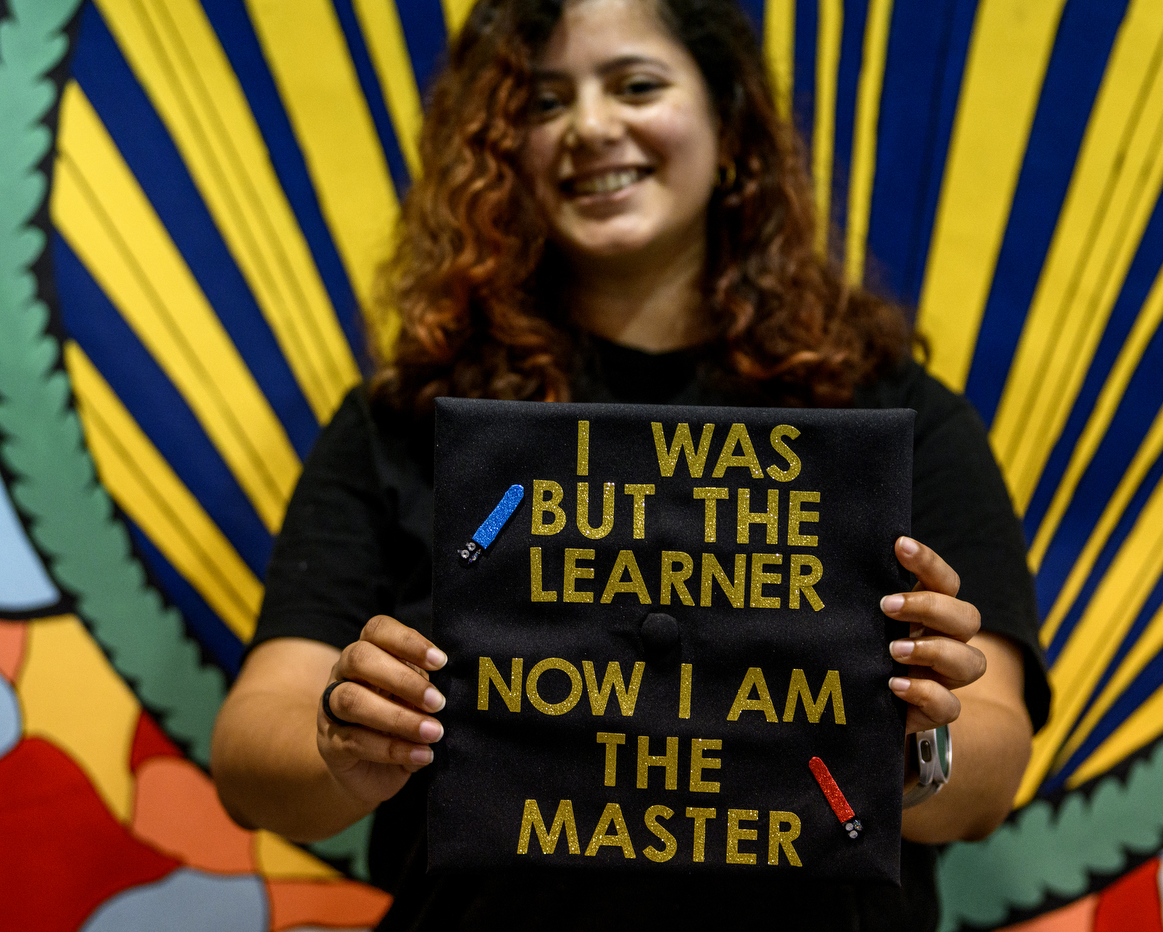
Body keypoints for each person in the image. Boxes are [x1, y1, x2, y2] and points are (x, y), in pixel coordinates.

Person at [210, 0, 1050, 928]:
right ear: (502, 154)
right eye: (540, 103)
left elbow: (993, 765)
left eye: (637, 85)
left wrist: (919, 749)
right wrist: (342, 744)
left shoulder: (891, 412)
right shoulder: (407, 422)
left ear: (729, 123)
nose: (593, 127)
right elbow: (254, 750)